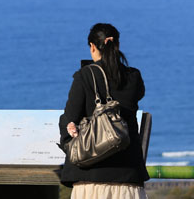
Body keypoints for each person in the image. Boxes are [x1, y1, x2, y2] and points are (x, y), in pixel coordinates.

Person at [59, 23, 149, 198]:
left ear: (92, 46)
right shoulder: (133, 77)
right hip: (128, 177)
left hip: (90, 179)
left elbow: (70, 119)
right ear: (117, 45)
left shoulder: (85, 76)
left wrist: (67, 132)